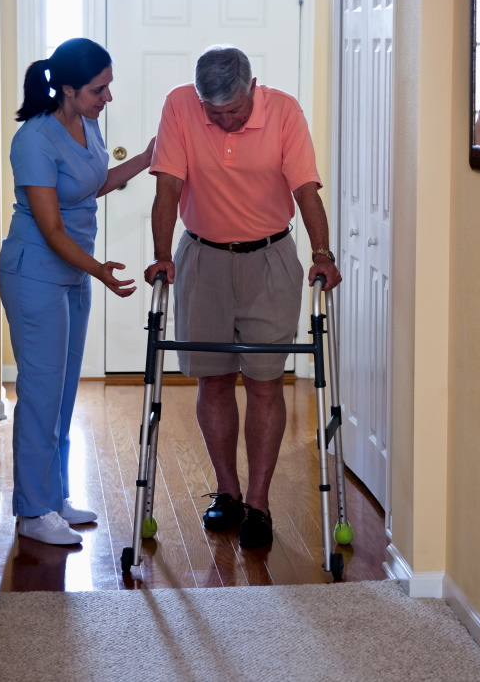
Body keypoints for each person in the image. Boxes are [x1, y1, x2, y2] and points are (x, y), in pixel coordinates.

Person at [145, 45, 341, 549]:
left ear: (253, 88)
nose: (225, 122)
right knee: (213, 381)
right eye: (215, 114)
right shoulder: (179, 105)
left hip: (270, 258)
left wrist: (322, 252)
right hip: (202, 258)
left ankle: (259, 502)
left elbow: (306, 191)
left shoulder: (285, 111)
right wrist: (162, 253)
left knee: (263, 383)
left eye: (233, 111)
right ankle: (227, 493)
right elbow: (168, 186)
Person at [0, 37, 154, 546]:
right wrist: (102, 272)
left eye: (108, 87)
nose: (107, 97)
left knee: (64, 392)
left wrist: (150, 159)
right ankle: (32, 510)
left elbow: (94, 183)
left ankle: (55, 495)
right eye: (98, 89)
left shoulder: (86, 124)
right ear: (67, 88)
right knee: (41, 393)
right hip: (36, 272)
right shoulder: (34, 140)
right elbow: (52, 229)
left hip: (72, 272)